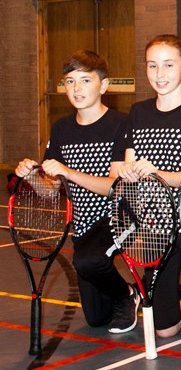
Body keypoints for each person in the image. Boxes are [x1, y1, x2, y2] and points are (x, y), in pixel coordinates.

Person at [14, 51, 137, 333]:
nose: (77, 89)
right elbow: (50, 192)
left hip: (119, 217)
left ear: (103, 86)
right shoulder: (61, 129)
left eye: (85, 80)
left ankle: (126, 297)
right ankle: (128, 289)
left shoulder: (122, 124)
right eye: (70, 81)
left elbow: (114, 187)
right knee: (96, 318)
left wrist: (69, 172)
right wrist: (31, 175)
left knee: (87, 260)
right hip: (84, 226)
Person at [119, 35, 181, 339]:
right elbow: (130, 163)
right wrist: (129, 171)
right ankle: (178, 300)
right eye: (152, 65)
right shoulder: (137, 112)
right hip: (155, 224)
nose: (159, 74)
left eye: (168, 65)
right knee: (164, 330)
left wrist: (157, 173)